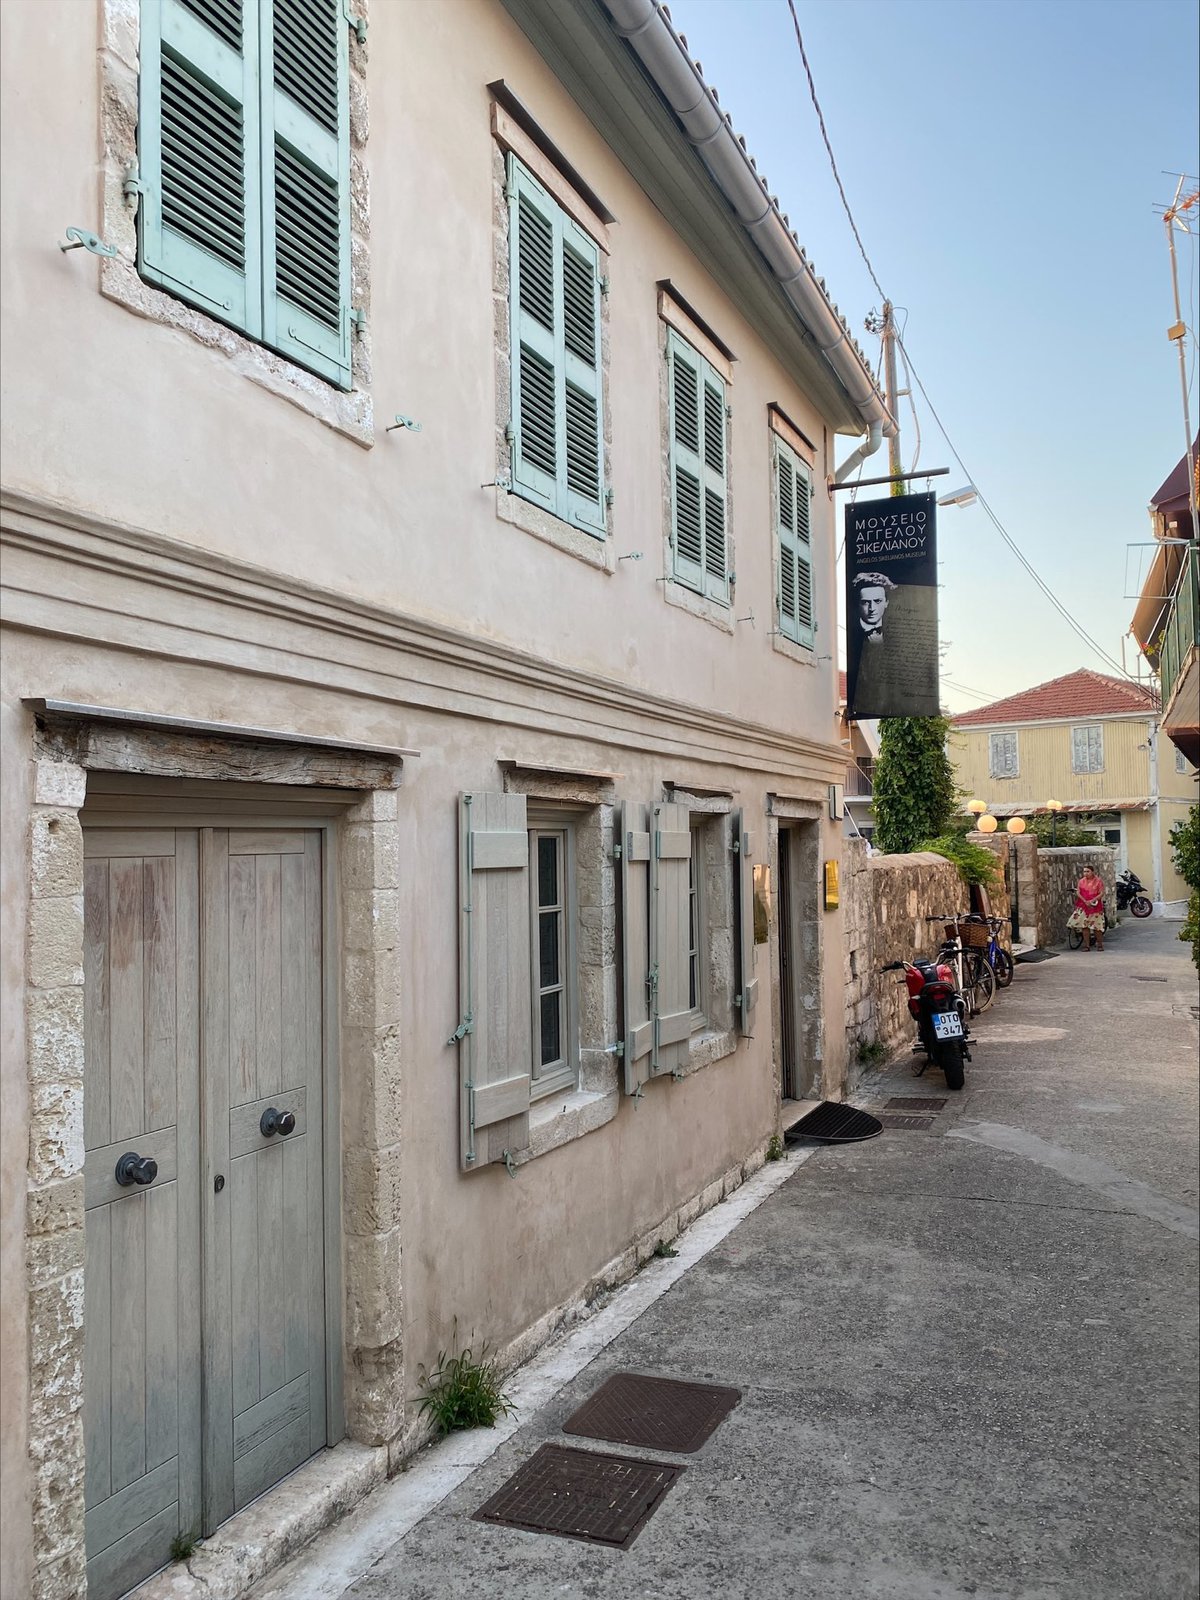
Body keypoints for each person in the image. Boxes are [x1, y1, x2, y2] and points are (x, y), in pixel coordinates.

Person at [847, 571, 899, 715]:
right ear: (857, 604)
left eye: (877, 601)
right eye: (865, 602)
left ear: (886, 602)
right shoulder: (853, 639)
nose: (872, 609)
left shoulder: (898, 636)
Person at [1068, 866, 1106, 950]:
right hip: (1083, 905)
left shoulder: (1098, 881)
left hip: (1095, 907)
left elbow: (1101, 893)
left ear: (1092, 872)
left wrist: (1092, 900)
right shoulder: (1081, 881)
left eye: (1088, 871)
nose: (1085, 873)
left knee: (1097, 927)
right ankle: (1086, 945)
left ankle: (1100, 945)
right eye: (1084, 871)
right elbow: (1078, 892)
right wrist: (1085, 901)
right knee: (1084, 926)